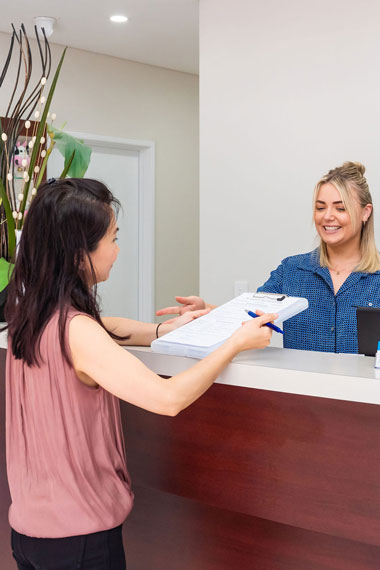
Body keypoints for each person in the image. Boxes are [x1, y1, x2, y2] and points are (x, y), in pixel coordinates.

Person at [5, 178, 276, 570]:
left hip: (30, 535)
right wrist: (233, 343)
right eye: (112, 238)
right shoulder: (77, 331)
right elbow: (168, 399)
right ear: (80, 252)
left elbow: (104, 326)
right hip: (78, 540)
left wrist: (161, 331)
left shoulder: (29, 315)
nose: (117, 250)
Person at [157, 161, 380, 354]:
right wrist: (206, 309)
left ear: (365, 212)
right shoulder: (292, 270)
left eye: (340, 208)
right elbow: (250, 316)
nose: (327, 216)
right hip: (300, 397)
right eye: (320, 208)